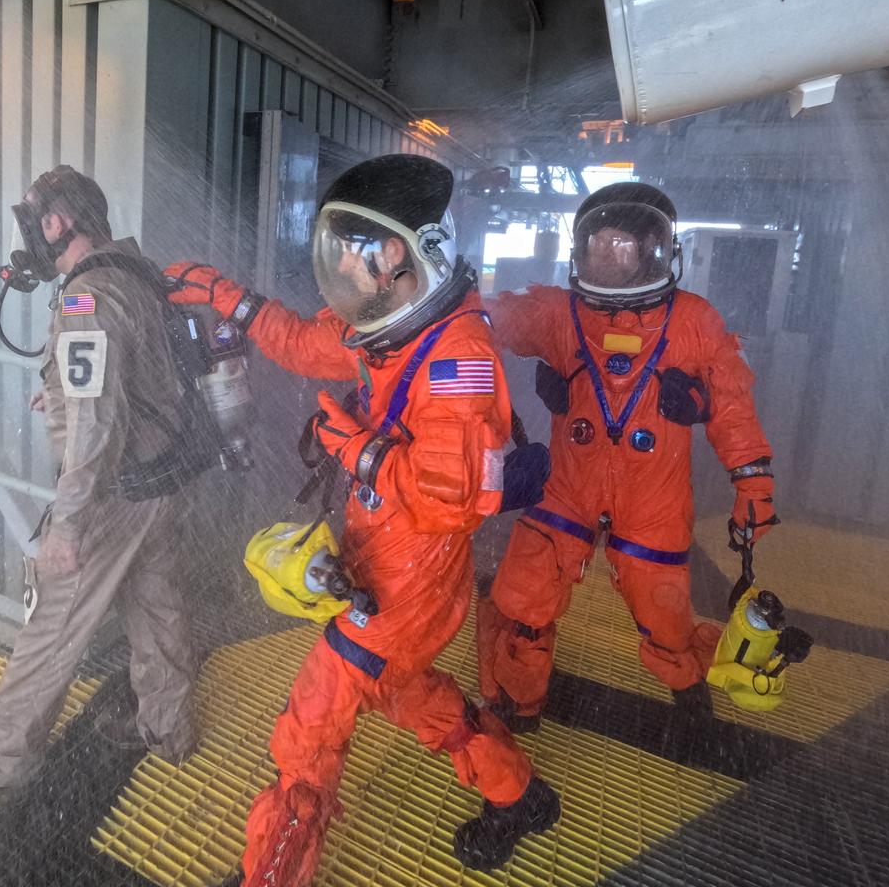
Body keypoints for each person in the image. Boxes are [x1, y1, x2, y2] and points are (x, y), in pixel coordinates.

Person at [166, 154, 559, 887]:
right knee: (404, 691)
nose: (347, 267)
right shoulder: (386, 326)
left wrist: (359, 449)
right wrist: (230, 300)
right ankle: (518, 793)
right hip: (385, 556)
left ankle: (270, 874)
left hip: (413, 574)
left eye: (362, 250)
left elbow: (450, 499)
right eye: (340, 249)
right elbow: (305, 342)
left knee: (312, 724)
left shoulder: (457, 356)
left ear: (415, 253)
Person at [0, 165, 198, 811]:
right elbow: (129, 373)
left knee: (51, 625)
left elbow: (96, 420)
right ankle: (167, 725)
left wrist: (67, 525)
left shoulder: (86, 297)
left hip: (111, 494)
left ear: (57, 222)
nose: (31, 239)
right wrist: (61, 390)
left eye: (34, 223)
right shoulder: (136, 273)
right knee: (157, 604)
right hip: (161, 478)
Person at [477, 182, 776, 730]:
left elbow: (733, 409)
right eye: (599, 246)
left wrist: (751, 485)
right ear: (581, 251)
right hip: (568, 488)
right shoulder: (559, 314)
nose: (609, 258)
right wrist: (440, 311)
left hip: (653, 500)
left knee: (666, 620)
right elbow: (485, 321)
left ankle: (692, 702)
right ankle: (515, 707)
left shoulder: (692, 322)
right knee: (522, 599)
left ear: (654, 251)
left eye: (622, 247)